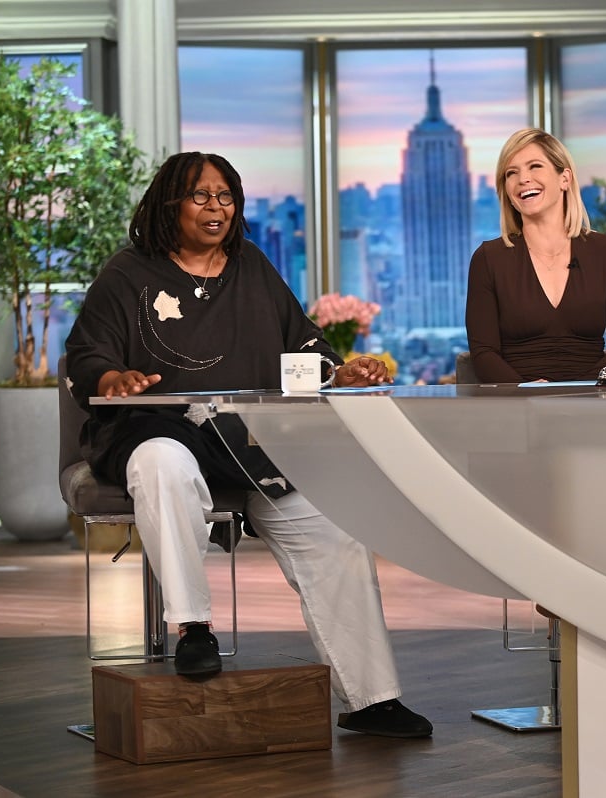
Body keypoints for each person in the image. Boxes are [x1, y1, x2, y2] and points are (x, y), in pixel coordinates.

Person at [64, 152, 432, 739]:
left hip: (247, 440)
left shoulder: (252, 267)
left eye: (226, 196)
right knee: (163, 462)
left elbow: (303, 347)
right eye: (200, 196)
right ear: (169, 204)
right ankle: (194, 628)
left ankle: (372, 699)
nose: (216, 208)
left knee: (333, 529)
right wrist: (114, 377)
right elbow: (86, 356)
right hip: (155, 429)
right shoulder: (127, 274)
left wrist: (338, 373)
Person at [465, 127, 606, 382]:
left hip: (594, 400)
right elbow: (483, 353)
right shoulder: (488, 259)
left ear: (564, 178)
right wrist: (525, 391)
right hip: (516, 405)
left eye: (534, 166)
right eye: (511, 173)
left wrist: (580, 391)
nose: (523, 179)